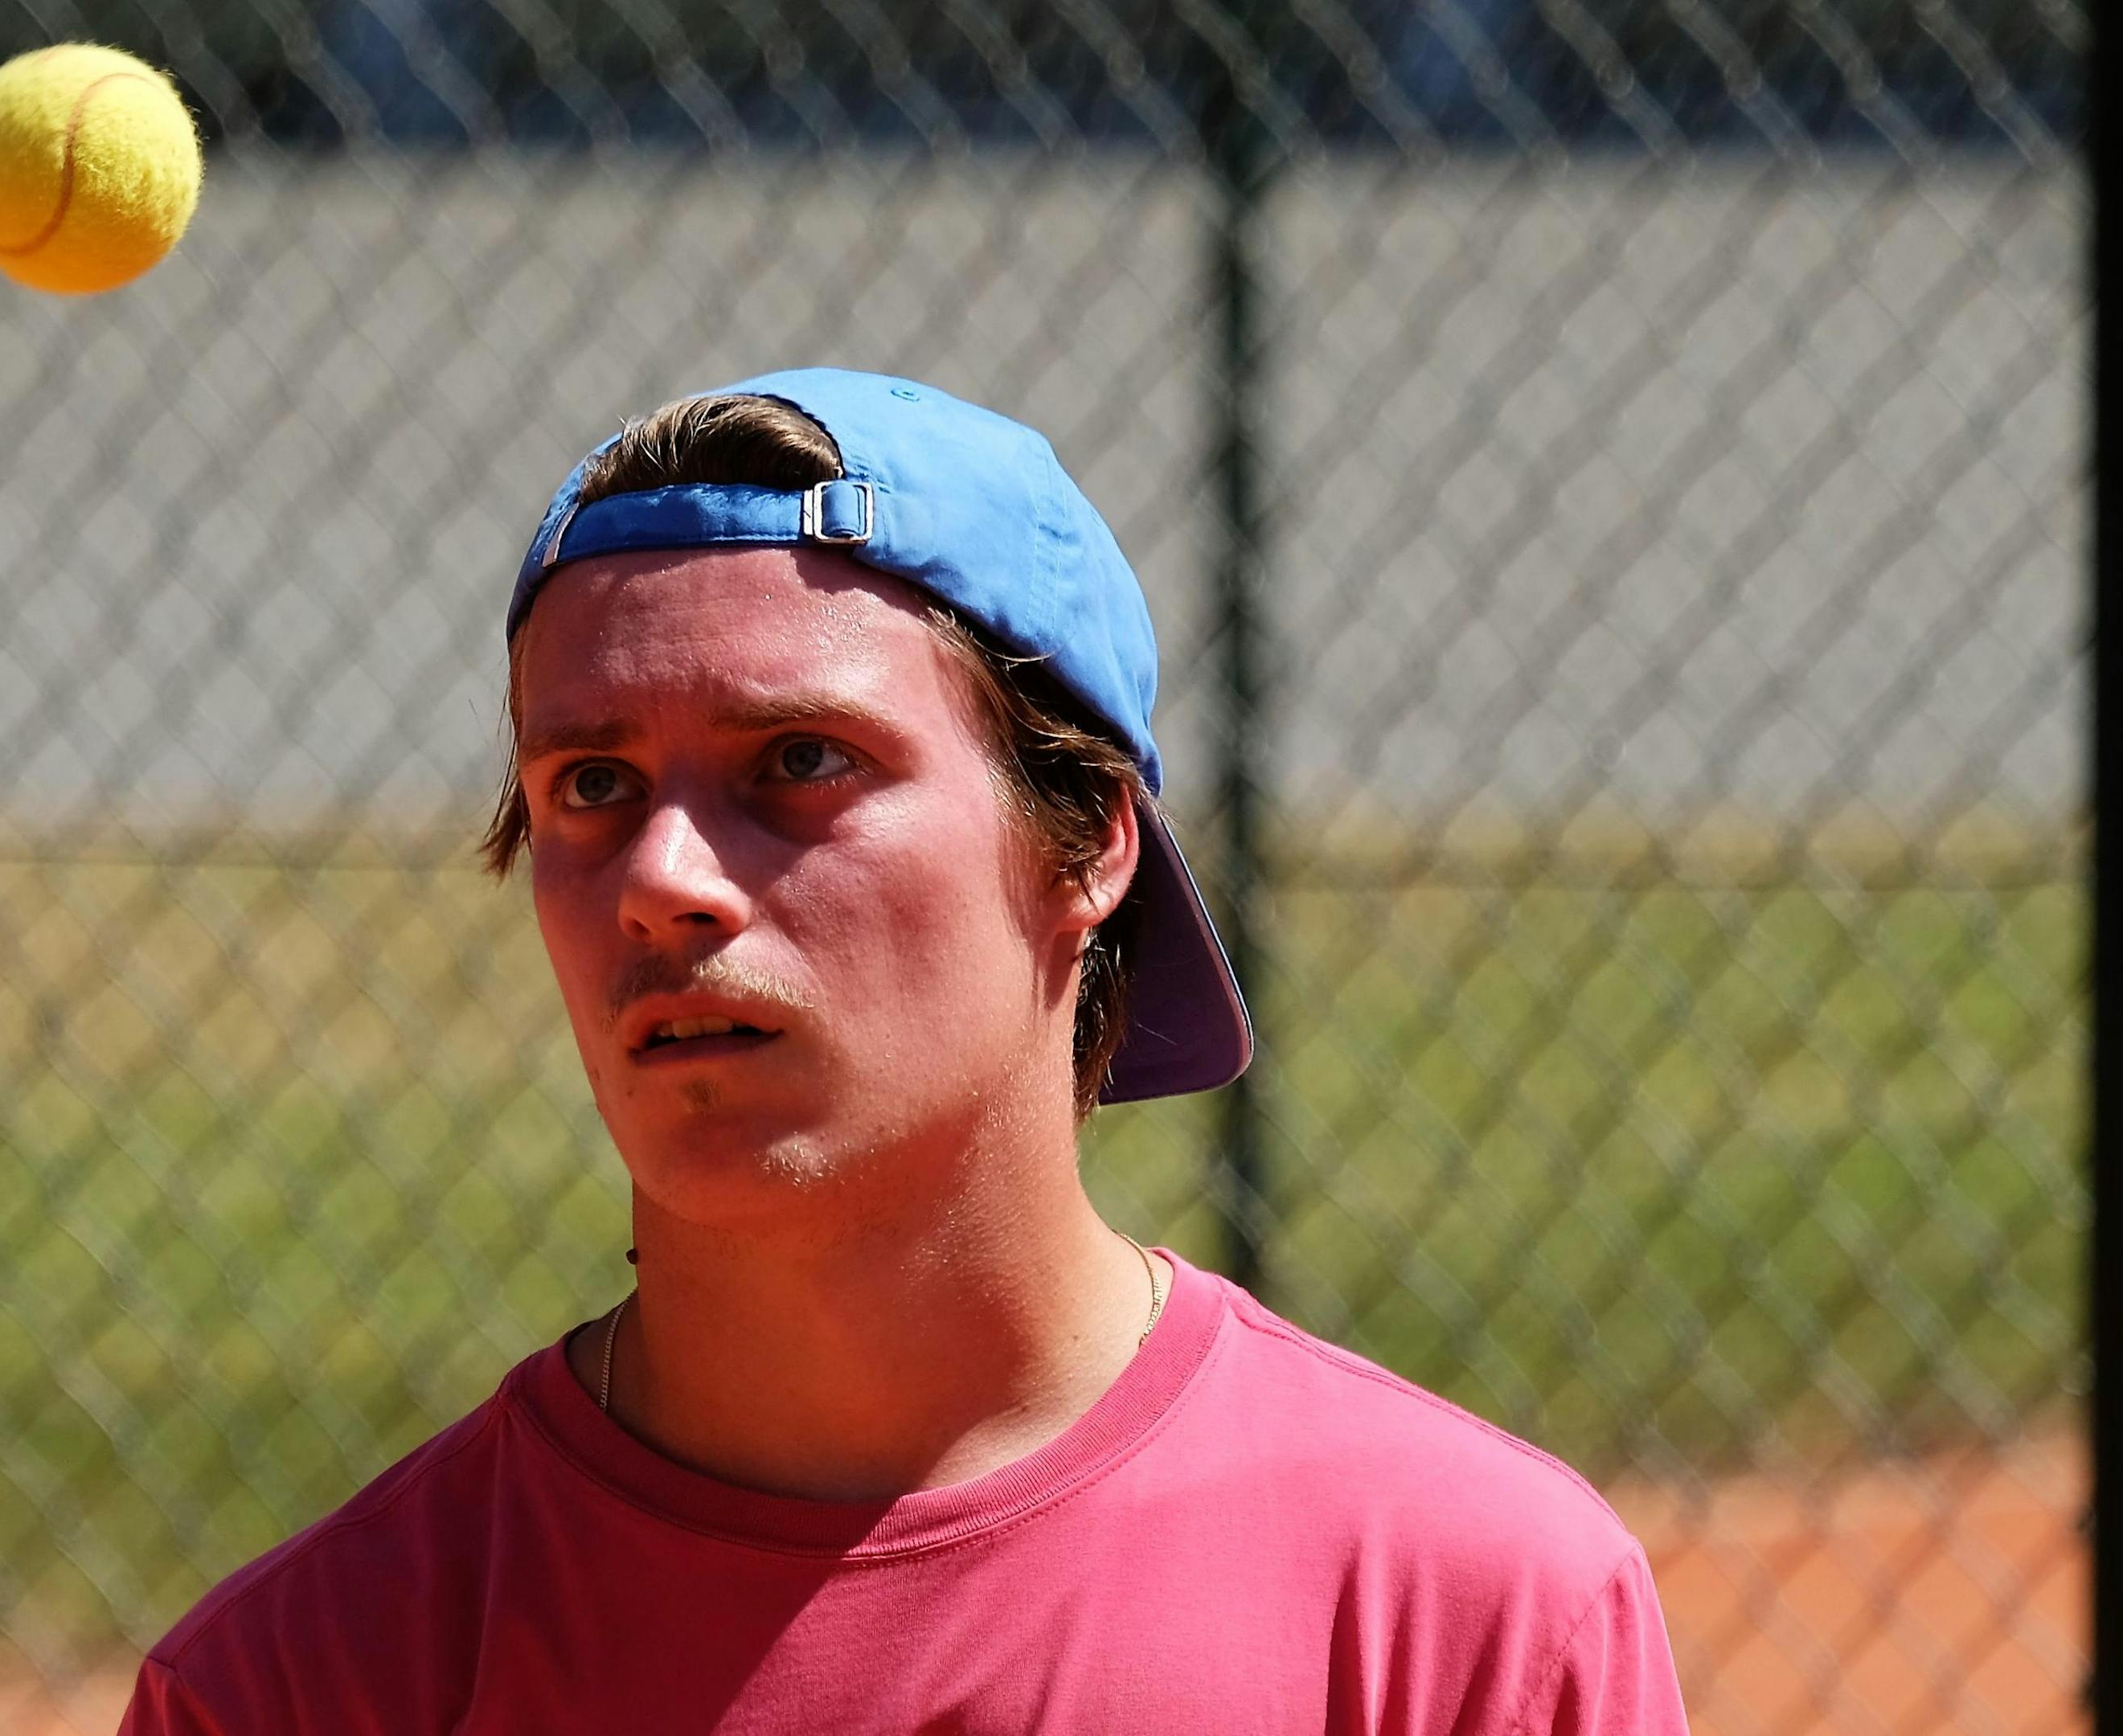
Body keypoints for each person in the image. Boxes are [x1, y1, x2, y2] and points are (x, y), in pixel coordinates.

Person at [118, 369, 1688, 1733]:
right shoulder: (307, 1686)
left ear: (1085, 848)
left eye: (799, 761)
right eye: (590, 785)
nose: (662, 877)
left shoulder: (1460, 1618)